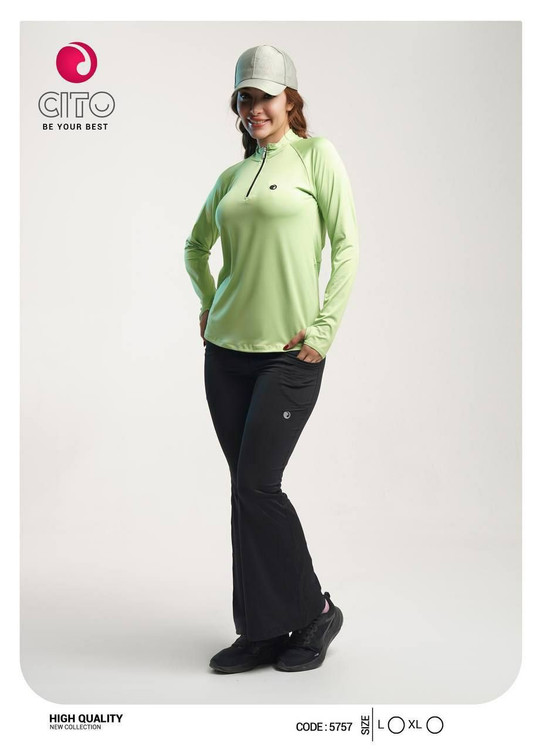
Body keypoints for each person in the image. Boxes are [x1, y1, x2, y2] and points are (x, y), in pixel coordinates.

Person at [184, 44, 359, 673]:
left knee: (259, 485)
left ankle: (315, 613)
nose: (255, 107)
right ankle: (261, 629)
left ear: (290, 100)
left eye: (265, 96)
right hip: (226, 356)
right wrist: (210, 303)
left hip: (288, 357)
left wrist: (324, 329)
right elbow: (194, 246)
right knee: (245, 491)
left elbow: (347, 245)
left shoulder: (316, 156)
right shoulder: (232, 178)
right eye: (245, 97)